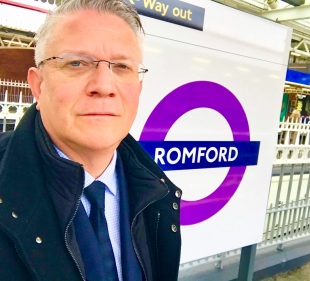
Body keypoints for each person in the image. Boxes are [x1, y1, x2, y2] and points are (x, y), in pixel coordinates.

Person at [0, 1, 182, 280]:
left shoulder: (157, 192)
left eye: (121, 66)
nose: (105, 86)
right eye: (76, 63)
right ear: (38, 85)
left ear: (138, 88)